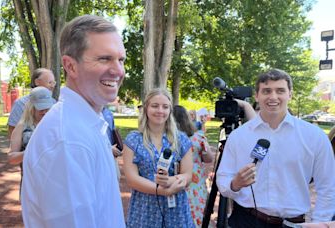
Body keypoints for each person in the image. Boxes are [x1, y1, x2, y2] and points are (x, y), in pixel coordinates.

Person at [21, 15, 126, 227]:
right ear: (70, 66)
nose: (118, 71)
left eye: (121, 60)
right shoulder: (68, 140)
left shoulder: (86, 123)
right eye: (104, 58)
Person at [216, 69, 335, 227]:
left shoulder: (314, 136)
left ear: (290, 94)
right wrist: (235, 184)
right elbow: (223, 178)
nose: (273, 97)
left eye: (280, 90)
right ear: (257, 96)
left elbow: (328, 186)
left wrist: (320, 223)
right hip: (245, 219)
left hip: (293, 223)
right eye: (266, 91)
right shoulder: (238, 136)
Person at [123, 88, 194, 228]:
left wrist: (171, 180)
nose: (160, 111)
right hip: (144, 208)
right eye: (155, 106)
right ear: (146, 108)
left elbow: (187, 175)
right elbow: (132, 179)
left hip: (176, 209)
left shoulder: (181, 140)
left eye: (165, 107)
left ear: (170, 110)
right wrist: (161, 190)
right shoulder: (133, 140)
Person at [173, 105, 214, 226]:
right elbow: (209, 159)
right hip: (195, 182)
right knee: (197, 212)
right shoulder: (198, 138)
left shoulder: (169, 139)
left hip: (175, 180)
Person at [8, 87, 55, 187]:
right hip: (30, 183)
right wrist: (31, 151)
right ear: (31, 107)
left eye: (47, 108)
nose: (45, 112)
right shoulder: (22, 126)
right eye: (41, 108)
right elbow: (12, 158)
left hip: (53, 182)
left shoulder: (56, 125)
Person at [7, 68, 56, 138]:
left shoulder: (54, 103)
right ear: (37, 82)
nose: (52, 86)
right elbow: (12, 131)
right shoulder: (20, 103)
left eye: (54, 83)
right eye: (50, 82)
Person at [102, 106, 123, 179]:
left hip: (111, 153)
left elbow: (112, 131)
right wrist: (108, 148)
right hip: (100, 154)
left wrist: (117, 146)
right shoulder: (89, 112)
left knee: (116, 177)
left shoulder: (108, 112)